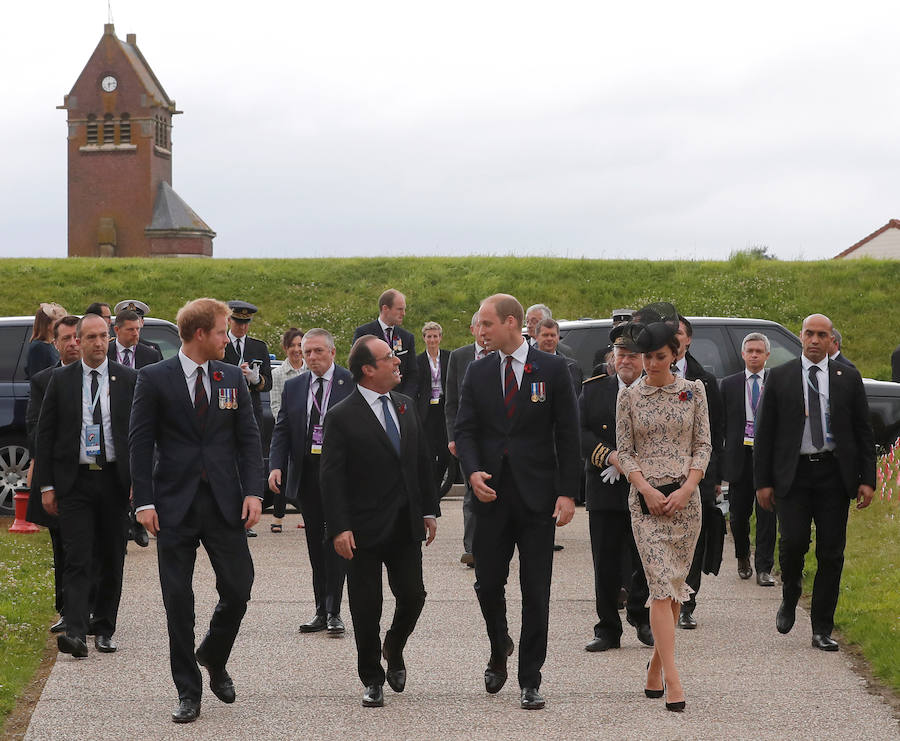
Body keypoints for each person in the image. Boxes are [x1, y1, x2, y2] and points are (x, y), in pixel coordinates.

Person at [130, 298, 264, 723]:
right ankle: (188, 692)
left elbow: (248, 438)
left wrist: (254, 492)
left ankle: (214, 653)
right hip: (174, 505)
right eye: (223, 331)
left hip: (225, 503)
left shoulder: (231, 377)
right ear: (201, 333)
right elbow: (140, 443)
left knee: (239, 588)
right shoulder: (155, 378)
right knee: (178, 601)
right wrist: (144, 502)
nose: (228, 338)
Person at [455, 294, 580, 711]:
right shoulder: (478, 370)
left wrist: (567, 492)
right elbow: (465, 430)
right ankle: (499, 644)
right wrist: (472, 472)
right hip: (491, 496)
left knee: (536, 590)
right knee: (488, 583)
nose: (481, 331)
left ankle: (530, 679)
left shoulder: (552, 368)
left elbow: (568, 432)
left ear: (511, 323)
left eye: (487, 323)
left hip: (537, 498)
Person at [320, 335, 439, 708]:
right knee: (366, 607)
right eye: (389, 357)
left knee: (413, 596)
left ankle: (395, 646)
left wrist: (429, 510)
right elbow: (331, 478)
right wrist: (339, 527)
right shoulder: (341, 416)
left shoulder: (404, 405)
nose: (398, 362)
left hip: (405, 524)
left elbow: (421, 461)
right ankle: (372, 678)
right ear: (368, 369)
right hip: (362, 530)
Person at [754, 314, 875, 652]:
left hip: (834, 475)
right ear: (801, 336)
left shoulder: (848, 377)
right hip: (793, 475)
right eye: (810, 333)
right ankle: (791, 589)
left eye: (822, 335)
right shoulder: (780, 377)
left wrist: (868, 479)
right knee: (793, 543)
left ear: (831, 339)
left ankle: (822, 627)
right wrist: (762, 482)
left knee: (831, 553)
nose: (815, 340)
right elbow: (764, 434)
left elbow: (863, 431)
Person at [615, 302, 711, 712]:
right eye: (646, 357)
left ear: (675, 354)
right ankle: (674, 679)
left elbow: (703, 445)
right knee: (659, 585)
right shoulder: (629, 397)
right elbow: (624, 452)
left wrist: (688, 487)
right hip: (646, 504)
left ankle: (655, 670)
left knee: (674, 590)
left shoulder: (694, 391)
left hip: (686, 502)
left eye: (659, 356)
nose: (651, 364)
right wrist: (646, 490)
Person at [35, 313, 137, 659]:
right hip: (75, 481)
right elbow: (45, 435)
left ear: (110, 338)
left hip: (113, 479)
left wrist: (139, 481)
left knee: (111, 555)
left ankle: (104, 627)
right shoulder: (61, 380)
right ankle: (76, 632)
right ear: (78, 340)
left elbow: (140, 434)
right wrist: (47, 485)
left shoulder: (127, 379)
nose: (97, 343)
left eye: (102, 336)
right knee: (77, 556)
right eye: (90, 337)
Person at [268, 329, 352, 635]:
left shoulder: (349, 382)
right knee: (316, 543)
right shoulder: (294, 386)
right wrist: (276, 466)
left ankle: (335, 610)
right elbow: (282, 429)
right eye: (307, 352)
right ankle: (320, 609)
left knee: (336, 539)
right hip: (307, 473)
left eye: (318, 351)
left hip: (340, 475)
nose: (312, 357)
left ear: (332, 352)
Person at [580, 328, 652, 652]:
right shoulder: (594, 390)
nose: (625, 361)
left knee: (645, 559)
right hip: (605, 488)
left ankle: (642, 616)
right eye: (620, 355)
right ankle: (607, 627)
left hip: (647, 488)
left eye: (632, 356)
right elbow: (580, 432)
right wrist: (610, 457)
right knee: (605, 562)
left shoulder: (655, 391)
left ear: (643, 359)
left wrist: (635, 465)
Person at [25, 315, 81, 635]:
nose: (73, 343)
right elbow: (35, 429)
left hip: (95, 477)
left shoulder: (104, 378)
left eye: (77, 337)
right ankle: (67, 609)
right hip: (61, 478)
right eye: (67, 339)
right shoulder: (43, 380)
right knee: (62, 547)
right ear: (55, 344)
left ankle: (94, 608)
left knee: (97, 547)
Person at [673, 315, 724, 630]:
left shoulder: (704, 380)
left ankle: (686, 603)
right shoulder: (648, 373)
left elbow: (716, 431)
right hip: (660, 472)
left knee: (693, 540)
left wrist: (714, 476)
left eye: (679, 332)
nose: (674, 337)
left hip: (697, 472)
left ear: (689, 339)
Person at [719, 332, 777, 586]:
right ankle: (742, 555)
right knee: (738, 515)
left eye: (759, 351)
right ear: (743, 354)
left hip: (767, 456)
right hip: (739, 456)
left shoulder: (776, 382)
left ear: (767, 355)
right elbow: (721, 424)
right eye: (750, 351)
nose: (754, 355)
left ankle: (764, 567)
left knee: (767, 514)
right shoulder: (729, 384)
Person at [444, 311, 489, 567]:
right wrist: (452, 437)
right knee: (472, 492)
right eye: (479, 326)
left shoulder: (500, 355)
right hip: (467, 437)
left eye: (487, 325)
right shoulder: (459, 357)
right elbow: (451, 402)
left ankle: (494, 543)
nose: (483, 331)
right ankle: (472, 548)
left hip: (495, 438)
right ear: (472, 330)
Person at [268, 327, 306, 533]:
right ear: (285, 348)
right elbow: (276, 406)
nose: (296, 349)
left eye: (300, 345)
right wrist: (287, 430)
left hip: (309, 431)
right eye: (292, 345)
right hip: (287, 429)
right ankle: (278, 517)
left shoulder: (310, 371)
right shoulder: (277, 374)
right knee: (280, 472)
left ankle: (309, 514)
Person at [353, 289, 418, 397]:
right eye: (399, 309)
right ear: (385, 308)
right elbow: (358, 369)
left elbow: (413, 373)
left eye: (404, 309)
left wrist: (404, 399)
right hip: (372, 398)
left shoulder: (407, 337)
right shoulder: (364, 333)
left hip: (400, 400)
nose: (403, 313)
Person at [223, 300, 273, 435]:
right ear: (229, 320)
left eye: (246, 323)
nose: (243, 327)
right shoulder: (220, 344)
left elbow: (268, 383)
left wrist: (257, 380)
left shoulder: (259, 347)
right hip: (226, 408)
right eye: (239, 323)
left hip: (251, 410)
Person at [415, 321, 451, 491]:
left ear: (440, 338)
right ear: (424, 338)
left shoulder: (449, 357)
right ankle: (431, 490)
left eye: (435, 336)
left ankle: (436, 487)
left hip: (444, 407)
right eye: (429, 336)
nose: (432, 340)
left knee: (445, 454)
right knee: (428, 453)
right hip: (427, 410)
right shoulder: (418, 361)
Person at [536, 318, 583, 390]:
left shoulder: (570, 366)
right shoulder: (528, 364)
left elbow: (575, 394)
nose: (549, 339)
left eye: (553, 335)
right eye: (545, 335)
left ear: (558, 338)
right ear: (536, 337)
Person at [25, 302, 66, 378]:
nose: (61, 326)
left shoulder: (51, 345)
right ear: (47, 324)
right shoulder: (39, 347)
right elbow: (38, 377)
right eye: (58, 322)